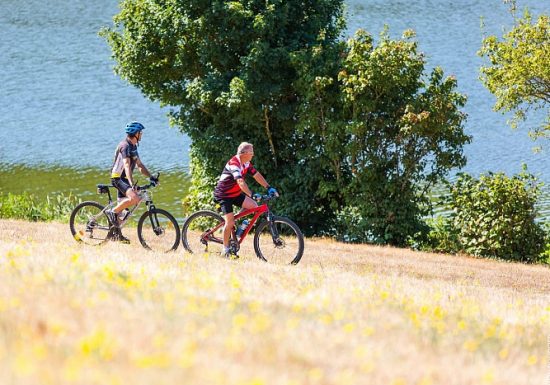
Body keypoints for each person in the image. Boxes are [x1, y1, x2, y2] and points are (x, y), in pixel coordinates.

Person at [214, 142, 278, 258]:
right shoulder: (234, 163)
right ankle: (225, 249)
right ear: (244, 153)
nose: (253, 155)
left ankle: (235, 223)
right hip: (224, 195)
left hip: (235, 194)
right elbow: (240, 182)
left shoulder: (246, 163)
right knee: (230, 222)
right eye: (251, 153)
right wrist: (251, 194)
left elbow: (256, 175)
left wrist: (269, 187)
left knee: (253, 206)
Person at [105, 121, 158, 242]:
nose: (142, 135)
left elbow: (139, 165)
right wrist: (131, 183)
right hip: (117, 178)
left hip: (125, 179)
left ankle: (116, 234)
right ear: (135, 134)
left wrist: (151, 177)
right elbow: (127, 165)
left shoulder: (133, 146)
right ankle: (112, 212)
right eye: (141, 132)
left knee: (124, 212)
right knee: (134, 198)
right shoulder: (125, 146)